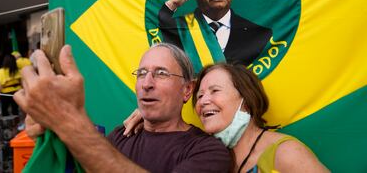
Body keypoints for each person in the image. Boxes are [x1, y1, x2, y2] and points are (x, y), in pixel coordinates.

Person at [14, 43, 234, 172]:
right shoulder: (122, 134)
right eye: (141, 73)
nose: (147, 83)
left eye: (161, 73)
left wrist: (67, 122)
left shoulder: (210, 152)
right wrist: (51, 135)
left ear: (187, 90)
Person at [124, 63, 330, 172]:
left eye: (215, 91)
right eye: (201, 95)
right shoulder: (205, 154)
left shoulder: (286, 153)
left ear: (246, 100)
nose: (203, 101)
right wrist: (150, 115)